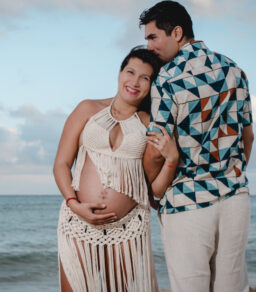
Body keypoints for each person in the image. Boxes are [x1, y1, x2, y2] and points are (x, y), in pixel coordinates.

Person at [139, 0, 254, 292]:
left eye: (153, 37)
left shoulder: (167, 78)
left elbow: (155, 149)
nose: (149, 46)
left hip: (186, 202)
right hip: (235, 197)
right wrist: (230, 173)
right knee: (232, 285)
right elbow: (248, 136)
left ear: (177, 32)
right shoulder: (234, 70)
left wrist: (155, 191)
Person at [53, 46, 179, 292]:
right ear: (119, 73)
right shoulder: (87, 109)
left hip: (127, 226)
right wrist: (73, 203)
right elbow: (61, 164)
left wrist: (172, 158)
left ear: (152, 85)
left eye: (145, 78)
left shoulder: (149, 124)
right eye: (130, 72)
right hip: (78, 220)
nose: (135, 82)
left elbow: (155, 189)